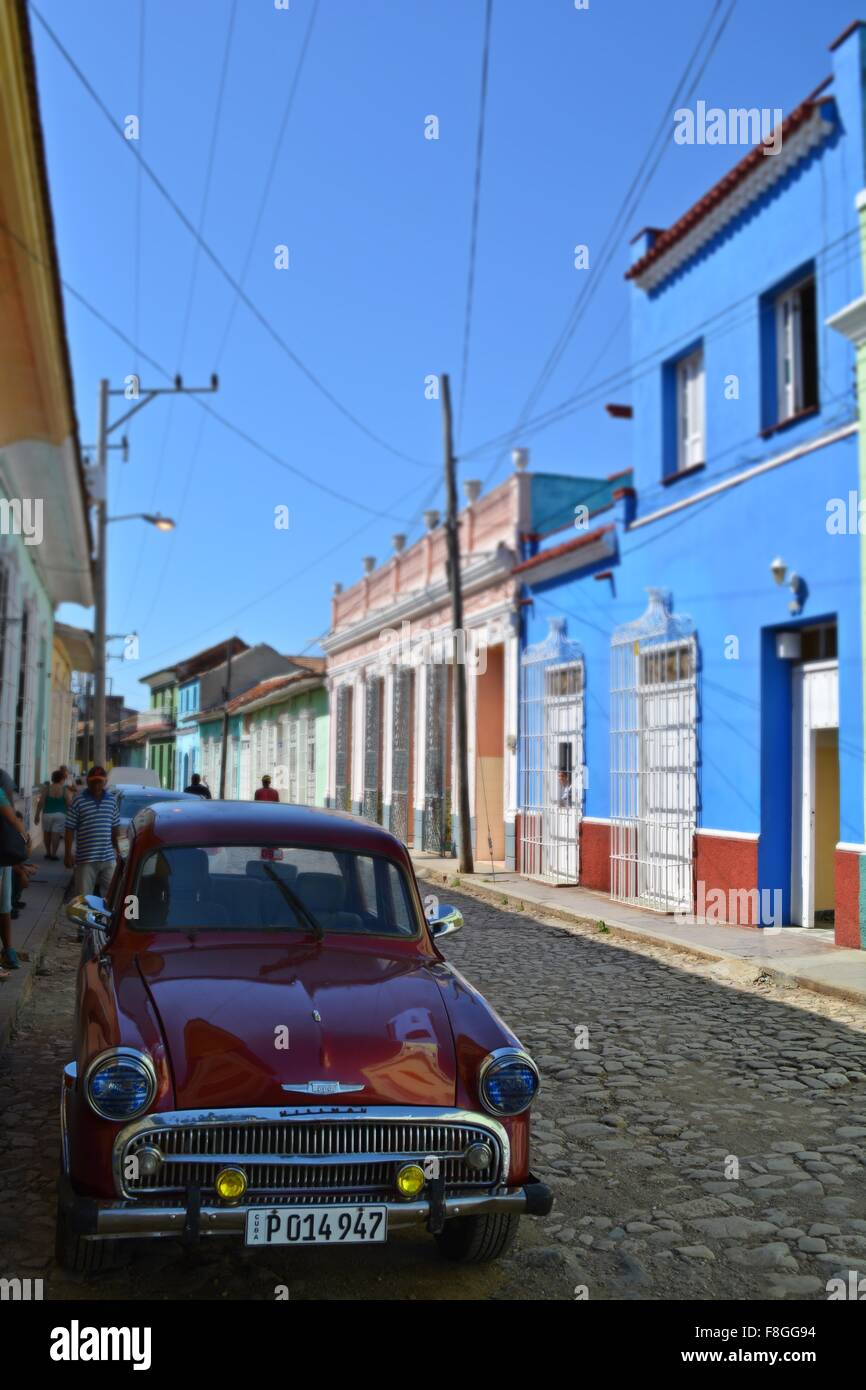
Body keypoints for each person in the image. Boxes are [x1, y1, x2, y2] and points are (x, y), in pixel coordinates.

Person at [64, 765, 121, 899]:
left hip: (108, 858)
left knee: (112, 897)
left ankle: (105, 920)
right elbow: (69, 828)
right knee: (83, 899)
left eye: (99, 781)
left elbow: (115, 829)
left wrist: (120, 852)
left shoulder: (111, 801)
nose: (96, 785)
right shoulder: (78, 800)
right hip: (85, 859)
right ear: (88, 781)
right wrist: (67, 854)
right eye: (93, 781)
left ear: (105, 782)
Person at [0, 771, 24, 974]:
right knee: (3, 907)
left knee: (4, 906)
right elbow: (13, 819)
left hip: (4, 857)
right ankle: (7, 952)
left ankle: (8, 951)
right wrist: (24, 836)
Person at [35, 769, 71, 859]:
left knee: (46, 833)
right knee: (56, 834)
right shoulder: (64, 790)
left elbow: (41, 802)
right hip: (60, 815)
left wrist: (37, 815)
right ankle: (54, 854)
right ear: (61, 779)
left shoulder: (47, 789)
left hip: (47, 814)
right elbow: (69, 803)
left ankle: (48, 852)